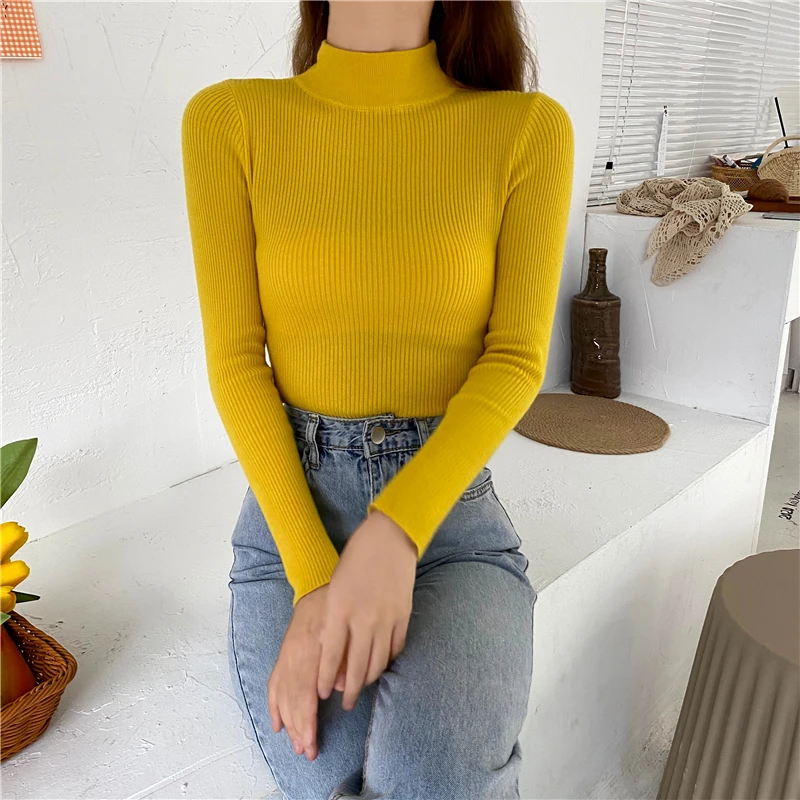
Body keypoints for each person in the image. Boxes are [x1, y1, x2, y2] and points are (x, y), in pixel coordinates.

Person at [181, 1, 574, 797]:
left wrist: (394, 533)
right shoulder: (229, 120)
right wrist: (314, 578)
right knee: (329, 768)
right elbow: (236, 363)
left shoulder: (527, 130)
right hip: (293, 519)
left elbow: (515, 359)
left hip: (449, 523)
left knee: (435, 771)